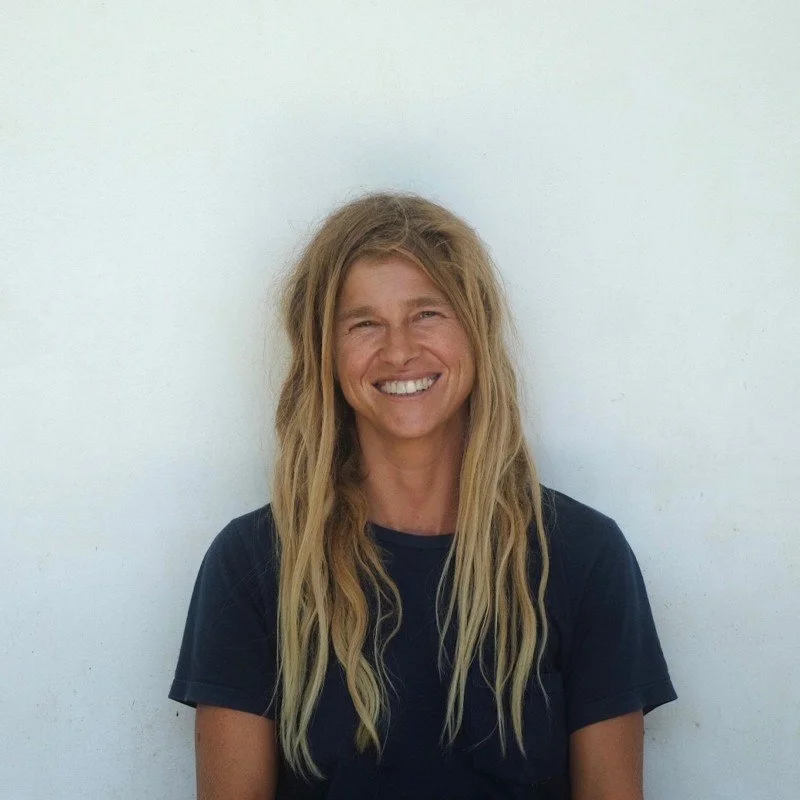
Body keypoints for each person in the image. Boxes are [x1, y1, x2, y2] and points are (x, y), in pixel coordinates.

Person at [169, 192, 677, 799]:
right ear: (325, 353)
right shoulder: (252, 563)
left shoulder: (584, 555)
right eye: (364, 323)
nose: (400, 350)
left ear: (476, 332)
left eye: (427, 313)